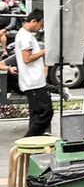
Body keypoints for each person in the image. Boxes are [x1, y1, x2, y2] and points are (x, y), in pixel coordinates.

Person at [15, 9, 53, 137]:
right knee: (46, 112)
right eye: (41, 24)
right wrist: (45, 51)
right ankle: (27, 139)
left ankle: (33, 142)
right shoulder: (25, 38)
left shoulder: (25, 35)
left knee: (37, 113)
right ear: (33, 21)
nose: (40, 28)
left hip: (34, 81)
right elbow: (27, 59)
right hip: (33, 82)